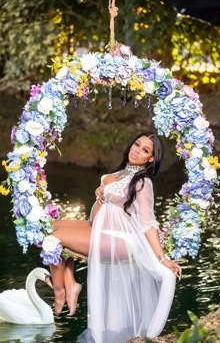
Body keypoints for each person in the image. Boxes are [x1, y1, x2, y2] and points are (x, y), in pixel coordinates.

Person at [48, 132, 182, 343]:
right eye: (137, 144)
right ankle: (69, 282)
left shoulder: (143, 182)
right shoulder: (118, 175)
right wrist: (100, 197)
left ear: (151, 159)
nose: (137, 150)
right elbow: (95, 217)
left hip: (120, 240)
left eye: (145, 150)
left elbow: (147, 223)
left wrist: (162, 257)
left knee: (53, 239)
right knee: (46, 227)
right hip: (101, 229)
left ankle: (59, 291)